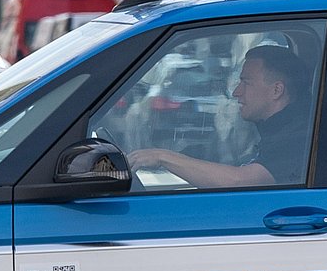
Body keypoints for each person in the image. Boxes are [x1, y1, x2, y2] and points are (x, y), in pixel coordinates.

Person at [129, 45, 312, 188]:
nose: (236, 92)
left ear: (276, 90)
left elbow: (239, 182)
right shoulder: (278, 129)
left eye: (246, 83)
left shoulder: (298, 139)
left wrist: (162, 156)